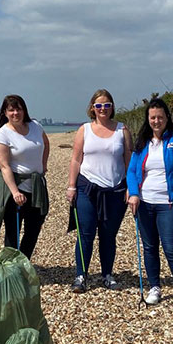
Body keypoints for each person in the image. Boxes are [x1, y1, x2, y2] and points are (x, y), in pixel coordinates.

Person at [126, 99, 173, 314]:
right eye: (153, 117)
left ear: (167, 118)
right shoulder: (142, 142)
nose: (156, 121)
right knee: (149, 247)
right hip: (145, 203)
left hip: (169, 203)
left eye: (160, 117)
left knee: (171, 247)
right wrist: (134, 194)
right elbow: (131, 172)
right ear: (148, 119)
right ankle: (154, 286)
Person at [65, 89, 132, 293]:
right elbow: (76, 159)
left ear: (112, 107)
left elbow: (129, 160)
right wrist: (71, 185)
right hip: (87, 188)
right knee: (85, 233)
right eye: (99, 105)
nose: (103, 109)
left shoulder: (123, 130)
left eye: (107, 105)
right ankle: (81, 275)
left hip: (115, 189)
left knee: (108, 235)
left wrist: (132, 188)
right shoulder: (84, 129)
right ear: (92, 108)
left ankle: (107, 274)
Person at [0, 95, 50, 259]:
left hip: (36, 186)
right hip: (14, 188)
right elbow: (4, 166)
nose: (15, 113)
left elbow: (46, 144)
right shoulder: (2, 134)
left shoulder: (35, 126)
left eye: (19, 109)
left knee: (34, 228)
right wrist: (15, 192)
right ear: (5, 112)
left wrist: (43, 165)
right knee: (12, 232)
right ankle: (10, 269)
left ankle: (23, 262)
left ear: (24, 110)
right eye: (11, 110)